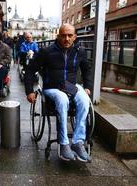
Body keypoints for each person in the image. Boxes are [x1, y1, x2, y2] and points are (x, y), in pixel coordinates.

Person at [24, 23, 93, 162]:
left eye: (69, 35)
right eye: (63, 35)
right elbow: (30, 70)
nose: (66, 39)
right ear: (58, 36)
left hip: (71, 86)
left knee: (85, 100)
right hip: (52, 87)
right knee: (62, 99)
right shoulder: (46, 51)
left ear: (75, 36)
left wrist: (87, 87)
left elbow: (87, 70)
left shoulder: (80, 51)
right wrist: (29, 91)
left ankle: (78, 142)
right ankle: (64, 143)